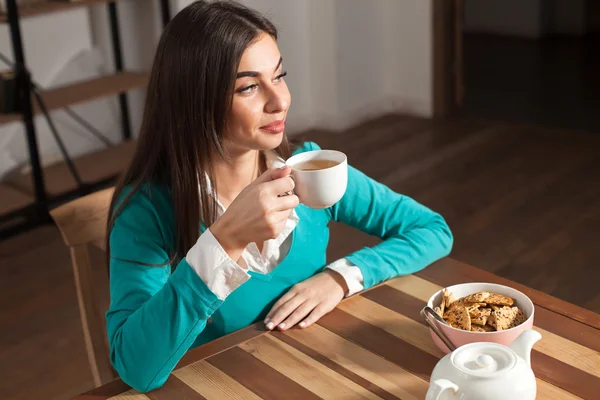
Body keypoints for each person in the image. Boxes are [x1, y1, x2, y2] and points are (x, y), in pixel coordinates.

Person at [106, 0, 453, 393]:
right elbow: (136, 368)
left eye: (280, 75)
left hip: (311, 377)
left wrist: (339, 278)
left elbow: (431, 229)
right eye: (249, 87)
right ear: (194, 99)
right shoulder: (146, 211)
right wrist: (224, 242)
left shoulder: (309, 168)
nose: (280, 101)